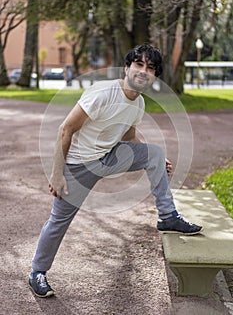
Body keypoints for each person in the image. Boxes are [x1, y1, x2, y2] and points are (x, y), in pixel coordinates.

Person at [29, 44, 203, 298]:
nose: (143, 71)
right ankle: (37, 272)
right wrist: (57, 174)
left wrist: (154, 158)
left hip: (108, 157)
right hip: (78, 165)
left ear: (154, 76)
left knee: (155, 152)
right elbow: (65, 130)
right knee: (59, 221)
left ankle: (168, 217)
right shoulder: (102, 93)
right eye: (139, 65)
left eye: (150, 68)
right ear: (127, 68)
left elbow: (129, 136)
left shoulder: (139, 104)